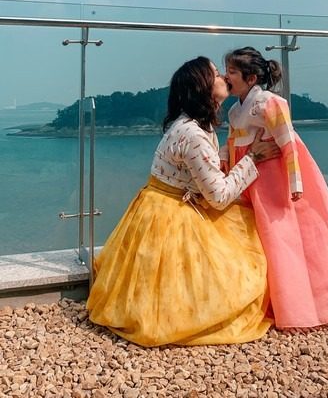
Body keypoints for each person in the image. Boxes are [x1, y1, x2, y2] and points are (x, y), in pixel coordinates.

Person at [87, 56, 278, 347]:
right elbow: (219, 197)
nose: (223, 77)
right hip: (171, 214)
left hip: (160, 206)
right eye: (215, 74)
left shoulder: (195, 125)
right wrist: (254, 157)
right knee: (245, 262)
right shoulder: (193, 134)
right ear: (203, 88)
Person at [221, 46, 328, 329]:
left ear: (251, 78)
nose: (225, 76)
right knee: (259, 239)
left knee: (281, 239)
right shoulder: (234, 110)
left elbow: (288, 143)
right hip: (248, 176)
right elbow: (231, 144)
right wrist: (222, 167)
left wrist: (296, 183)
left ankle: (299, 304)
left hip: (270, 179)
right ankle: (266, 301)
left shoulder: (270, 103)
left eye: (231, 72)